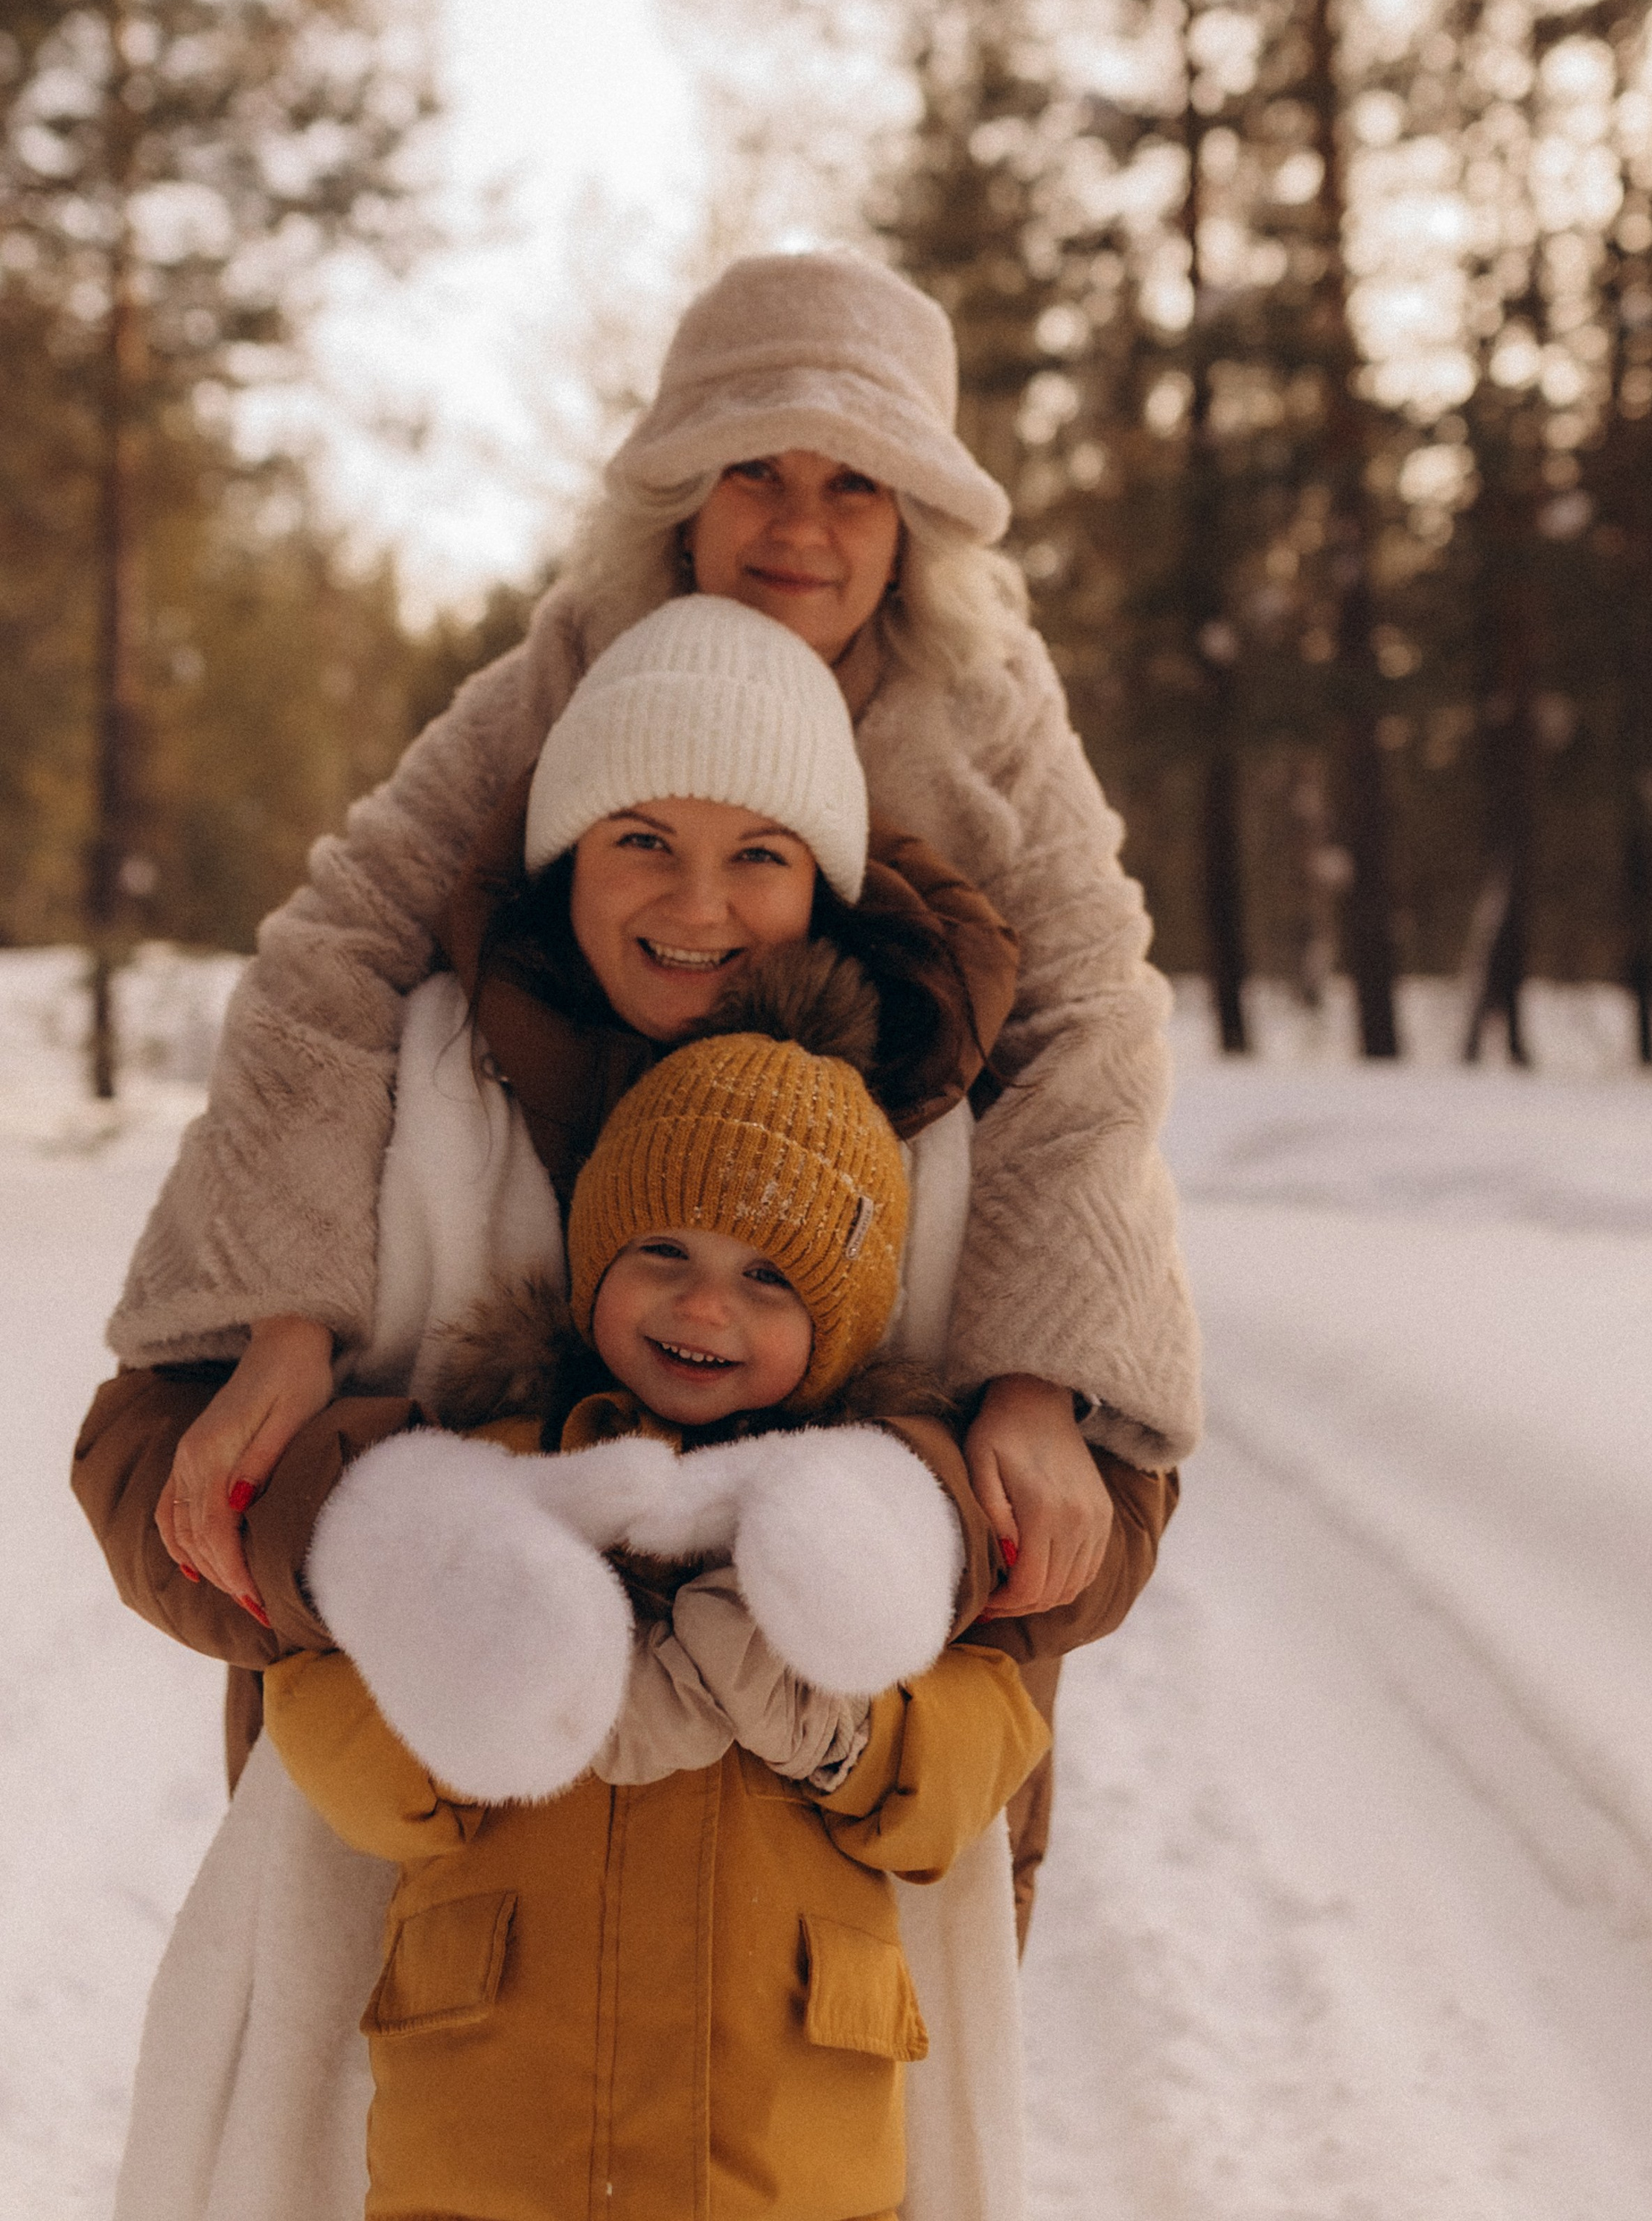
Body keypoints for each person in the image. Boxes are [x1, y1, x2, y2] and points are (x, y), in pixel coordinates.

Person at [79, 590, 1172, 2221]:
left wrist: (922, 1534)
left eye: (761, 855)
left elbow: (1075, 1550)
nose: (697, 904)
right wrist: (382, 1532)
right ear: (556, 855)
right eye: (637, 841)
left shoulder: (949, 1122)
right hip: (437, 1958)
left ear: (827, 879)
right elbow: (152, 1467)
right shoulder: (405, 1079)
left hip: (810, 1992)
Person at [98, 251, 1200, 1683]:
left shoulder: (986, 717)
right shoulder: (570, 674)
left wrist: (1035, 1380)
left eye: (854, 482)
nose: (801, 525)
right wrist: (292, 1319)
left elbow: (1097, 1020)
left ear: (913, 523)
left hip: (858, 1300)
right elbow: (337, 943)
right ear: (682, 497)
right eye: (756, 470)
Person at [265, 977, 1052, 2221]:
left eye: (768, 1279)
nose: (703, 1308)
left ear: (837, 1320)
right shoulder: (503, 1471)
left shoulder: (883, 1509)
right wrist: (491, 1709)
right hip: (490, 2145)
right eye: (665, 1255)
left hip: (790, 2150)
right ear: (595, 1263)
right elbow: (318, 1715)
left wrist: (842, 1731)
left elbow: (991, 1740)